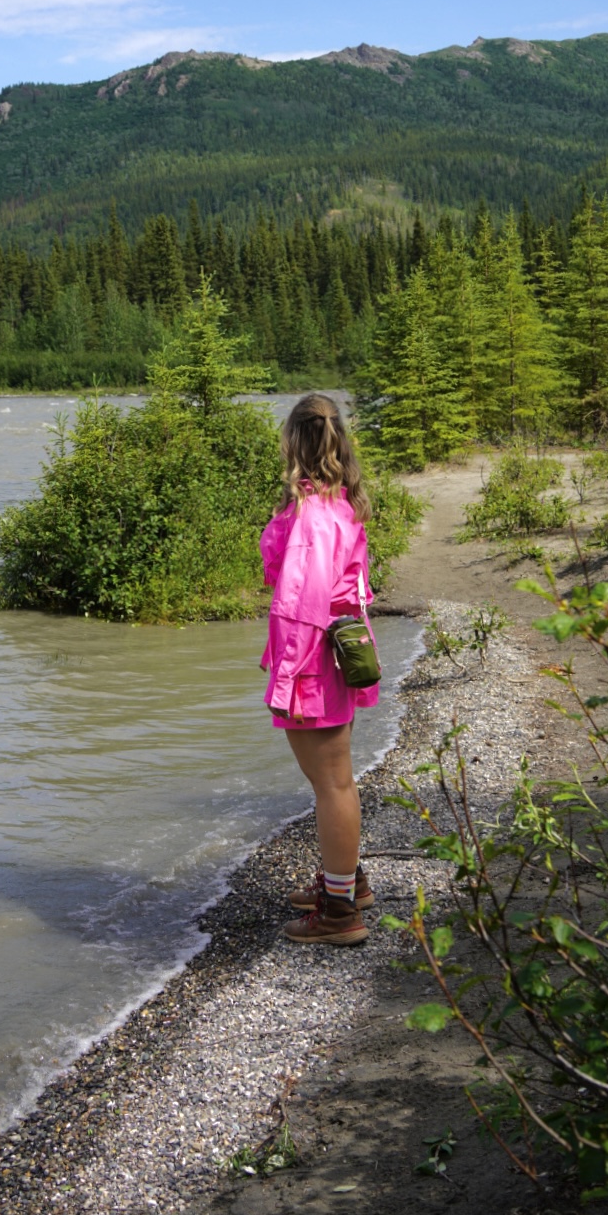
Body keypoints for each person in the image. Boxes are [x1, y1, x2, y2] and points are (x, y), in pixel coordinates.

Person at [259, 393, 379, 946]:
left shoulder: (309, 518)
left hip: (314, 663)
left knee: (332, 784)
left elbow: (301, 609)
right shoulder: (340, 506)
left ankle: (338, 912)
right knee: (336, 780)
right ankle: (346, 882)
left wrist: (286, 681)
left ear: (294, 443)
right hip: (341, 654)